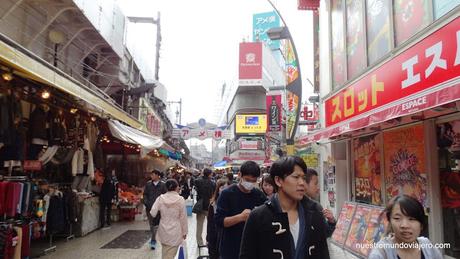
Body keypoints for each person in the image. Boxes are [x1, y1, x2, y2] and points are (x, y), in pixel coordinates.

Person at [240, 156, 330, 259]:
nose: (302, 183)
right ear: (278, 180)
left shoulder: (315, 212)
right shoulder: (258, 217)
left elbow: (323, 252)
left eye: (303, 178)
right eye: (296, 177)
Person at [215, 161, 267, 259]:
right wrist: (240, 217)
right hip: (230, 248)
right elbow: (219, 221)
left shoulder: (258, 195)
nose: (250, 183)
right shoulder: (227, 194)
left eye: (253, 181)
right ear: (239, 175)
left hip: (252, 248)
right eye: (247, 180)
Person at [369, 194, 443, 259]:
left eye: (411, 219)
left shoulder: (427, 246)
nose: (404, 225)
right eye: (397, 218)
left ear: (421, 224)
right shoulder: (380, 255)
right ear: (390, 222)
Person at [150, 179, 188, 259]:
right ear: (176, 187)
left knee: (165, 253)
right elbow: (183, 217)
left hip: (163, 228)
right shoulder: (180, 199)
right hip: (176, 230)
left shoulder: (160, 198)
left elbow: (153, 212)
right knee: (170, 255)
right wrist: (185, 232)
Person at [304, 168, 336, 237]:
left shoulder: (316, 207)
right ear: (304, 184)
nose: (318, 188)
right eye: (315, 184)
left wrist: (331, 221)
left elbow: (325, 233)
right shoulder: (314, 206)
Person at [143, 169, 167, 250]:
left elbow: (165, 196)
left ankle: (155, 239)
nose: (151, 176)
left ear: (157, 175)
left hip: (159, 209)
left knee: (157, 225)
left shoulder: (163, 185)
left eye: (153, 175)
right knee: (151, 225)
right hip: (149, 208)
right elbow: (145, 194)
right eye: (151, 175)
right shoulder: (148, 184)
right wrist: (146, 202)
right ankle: (153, 240)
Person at [207, 178, 229, 259]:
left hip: (226, 237)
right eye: (222, 187)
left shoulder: (231, 203)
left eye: (226, 187)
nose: (224, 190)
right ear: (218, 189)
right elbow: (209, 223)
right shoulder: (213, 205)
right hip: (214, 236)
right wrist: (208, 238)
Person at [193, 168, 215, 247]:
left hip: (200, 205)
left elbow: (195, 186)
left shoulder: (197, 181)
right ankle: (208, 241)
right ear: (209, 174)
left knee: (199, 225)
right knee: (210, 225)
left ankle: (199, 242)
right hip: (209, 205)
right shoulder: (213, 183)